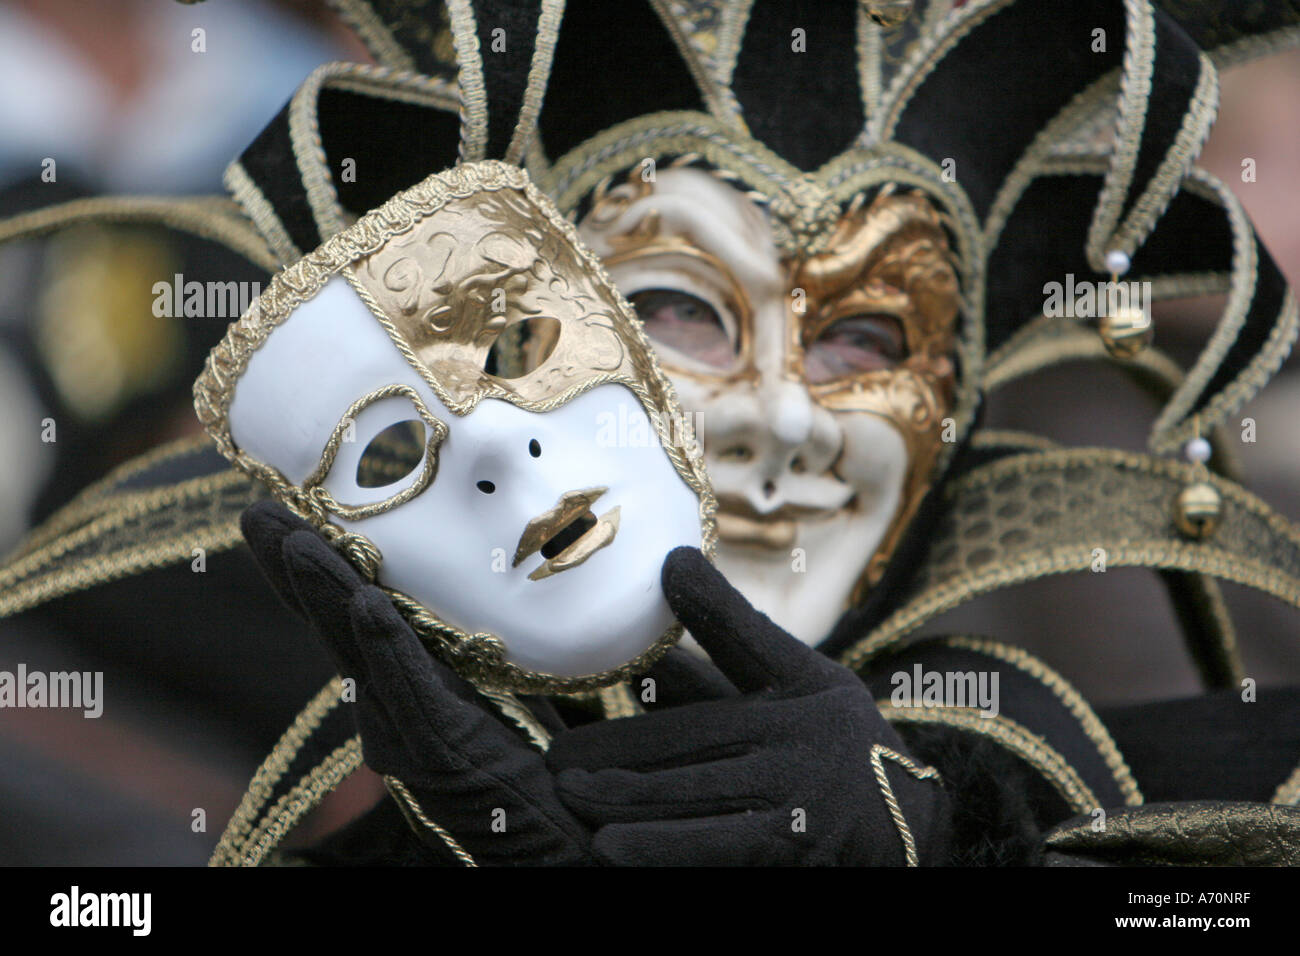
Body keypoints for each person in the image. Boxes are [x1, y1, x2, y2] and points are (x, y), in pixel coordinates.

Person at [4, 0, 1300, 866]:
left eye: (866, 342)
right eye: (681, 312)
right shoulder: (351, 787)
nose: (784, 416)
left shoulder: (1190, 775)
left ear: (958, 412)